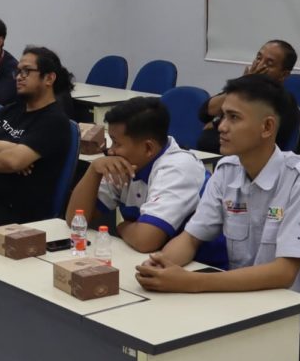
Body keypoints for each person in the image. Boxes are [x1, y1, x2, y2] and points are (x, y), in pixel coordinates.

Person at [135, 75, 300, 361]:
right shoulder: (227, 171)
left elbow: (283, 273)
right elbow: (191, 238)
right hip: (246, 304)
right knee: (167, 335)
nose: (221, 126)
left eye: (234, 118)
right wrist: (161, 265)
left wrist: (191, 282)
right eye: (222, 116)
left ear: (267, 127)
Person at [65, 96, 208, 257]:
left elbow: (145, 241)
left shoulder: (178, 168)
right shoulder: (127, 164)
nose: (111, 151)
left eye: (117, 143)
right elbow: (76, 220)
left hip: (204, 264)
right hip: (157, 259)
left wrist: (122, 227)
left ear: (148, 148)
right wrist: (93, 171)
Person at [0, 46, 75, 232]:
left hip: (13, 211)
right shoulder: (12, 109)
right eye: (18, 71)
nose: (19, 77)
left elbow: (12, 161)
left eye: (26, 71)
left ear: (49, 78)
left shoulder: (54, 122)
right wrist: (7, 146)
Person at [197, 39, 300, 153]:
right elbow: (205, 112)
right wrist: (244, 84)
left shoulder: (282, 102)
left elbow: (251, 139)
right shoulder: (242, 90)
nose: (259, 65)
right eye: (259, 58)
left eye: (269, 64)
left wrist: (215, 123)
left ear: (284, 74)